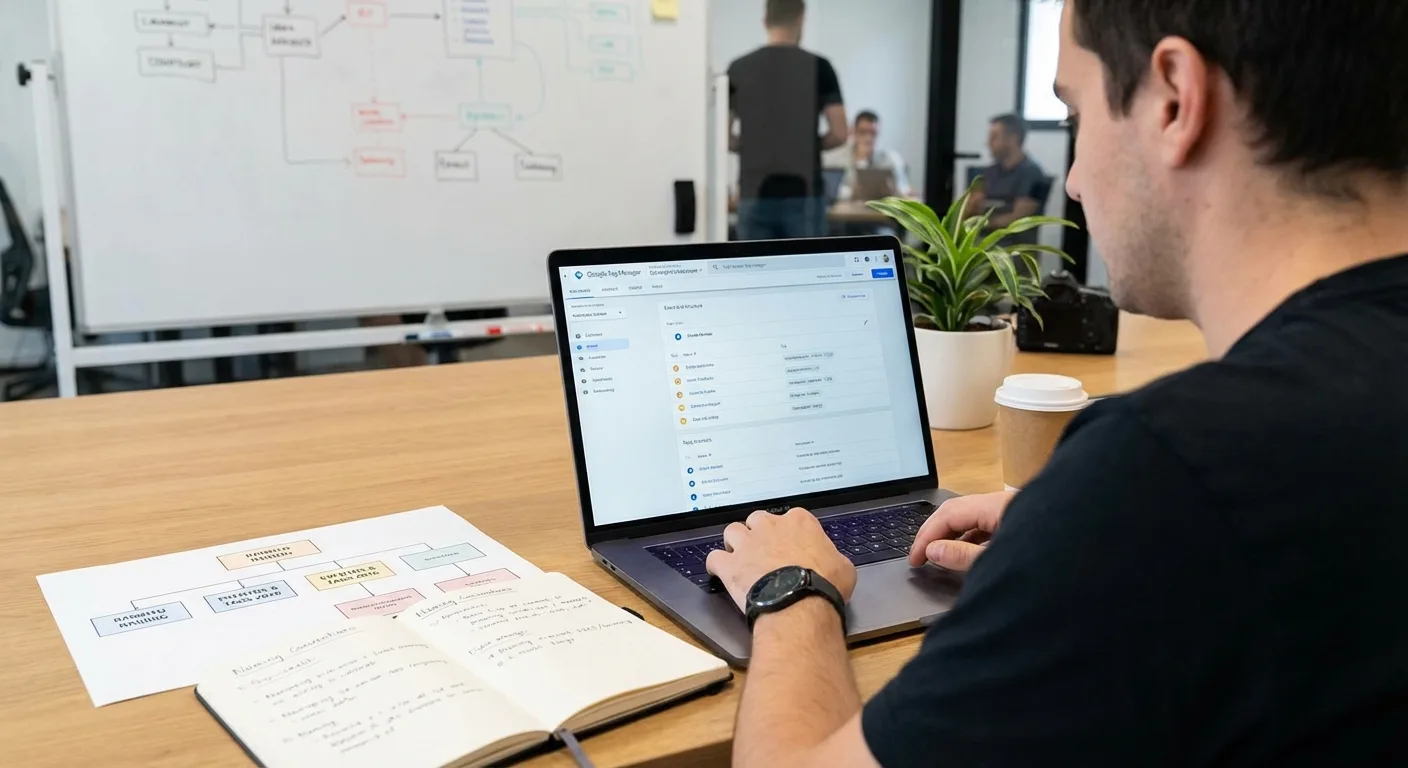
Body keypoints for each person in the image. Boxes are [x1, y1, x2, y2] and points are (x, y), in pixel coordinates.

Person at [705, 0, 1408, 765]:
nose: (1071, 181)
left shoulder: (1170, 471)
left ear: (1174, 99)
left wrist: (792, 588)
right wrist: (1070, 542)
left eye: (1074, 113)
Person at [728, 0, 848, 240]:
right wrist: (807, 145)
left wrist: (752, 147)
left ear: (765, 21)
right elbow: (840, 133)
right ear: (801, 18)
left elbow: (724, 136)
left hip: (753, 192)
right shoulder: (820, 67)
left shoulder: (738, 68)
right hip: (804, 194)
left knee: (754, 262)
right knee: (808, 263)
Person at [965, 114, 1047, 245]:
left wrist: (981, 224)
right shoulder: (988, 173)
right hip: (981, 243)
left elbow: (1019, 218)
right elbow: (969, 208)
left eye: (994, 137)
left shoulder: (1035, 175)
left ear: (1012, 138)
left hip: (1013, 248)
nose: (988, 143)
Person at [825, 110, 914, 201]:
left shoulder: (890, 158)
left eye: (873, 133)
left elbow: (904, 189)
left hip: (880, 206)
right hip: (850, 206)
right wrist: (860, 160)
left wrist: (894, 191)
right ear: (853, 131)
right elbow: (833, 191)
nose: (868, 138)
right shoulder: (838, 157)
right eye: (862, 132)